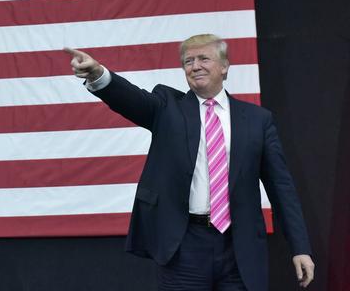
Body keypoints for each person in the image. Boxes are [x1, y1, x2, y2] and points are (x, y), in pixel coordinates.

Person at [65, 34, 314, 290]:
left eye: (204, 58)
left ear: (224, 66)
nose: (195, 66)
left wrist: (300, 248)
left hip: (239, 249)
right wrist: (98, 74)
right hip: (184, 247)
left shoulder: (258, 120)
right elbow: (131, 99)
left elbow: (281, 188)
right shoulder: (167, 107)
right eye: (188, 61)